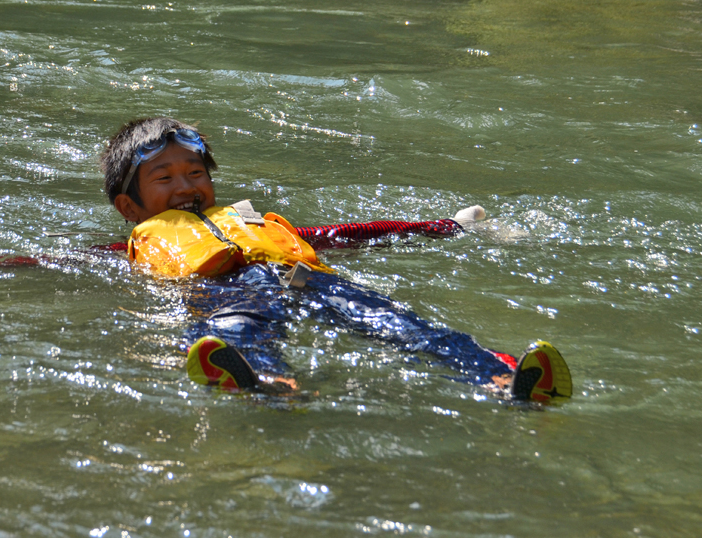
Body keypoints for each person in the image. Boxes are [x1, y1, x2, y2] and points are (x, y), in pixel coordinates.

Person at [99, 116, 572, 401]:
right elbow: (71, 259)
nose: (185, 186)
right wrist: (23, 264)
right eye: (164, 178)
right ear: (130, 207)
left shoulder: (247, 223)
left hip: (305, 278)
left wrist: (449, 226)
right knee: (233, 332)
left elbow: (343, 234)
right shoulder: (140, 247)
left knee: (399, 324)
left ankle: (500, 377)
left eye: (195, 172)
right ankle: (266, 383)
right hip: (222, 294)